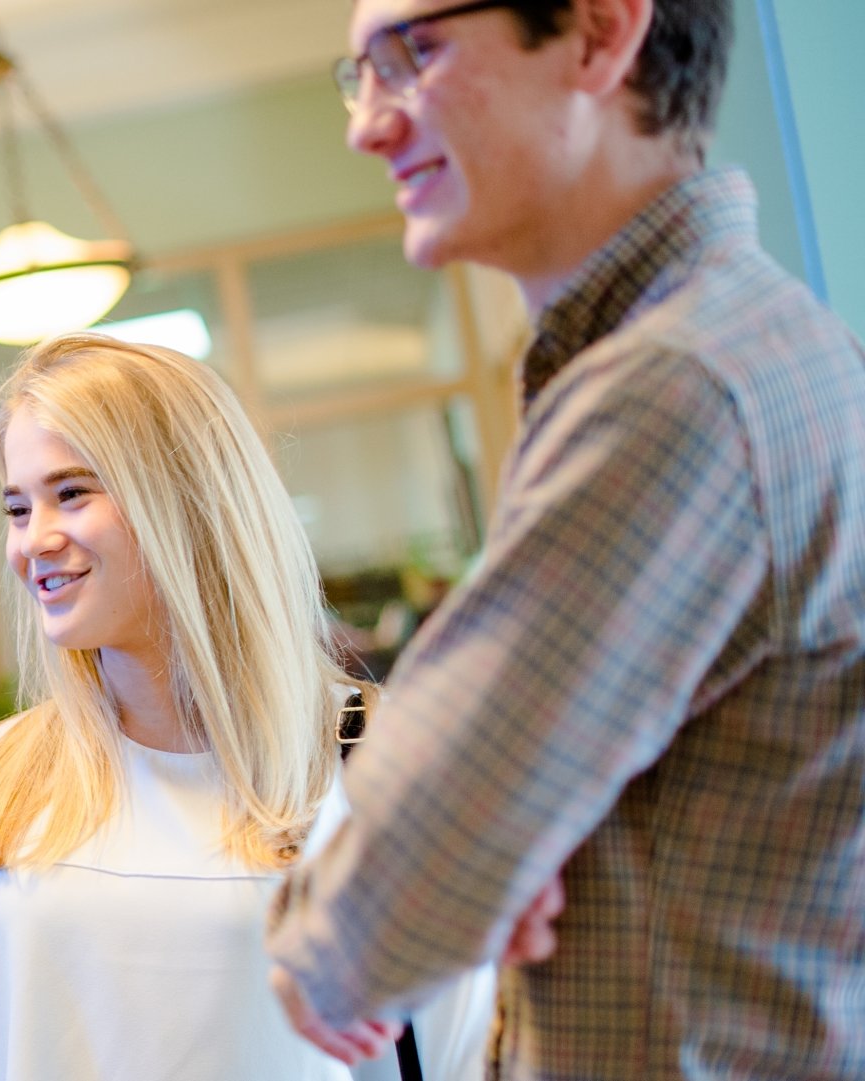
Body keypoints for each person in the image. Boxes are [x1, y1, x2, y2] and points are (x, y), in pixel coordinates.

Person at [268, 0, 865, 1076]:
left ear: (598, 34)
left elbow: (366, 925)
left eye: (415, 51)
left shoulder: (675, 389)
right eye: (359, 71)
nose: (367, 124)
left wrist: (442, 863)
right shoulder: (762, 342)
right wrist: (508, 842)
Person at [0, 334, 493, 1081]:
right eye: (18, 506)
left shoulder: (386, 759)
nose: (32, 541)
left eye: (72, 492)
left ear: (183, 499)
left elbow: (460, 1057)